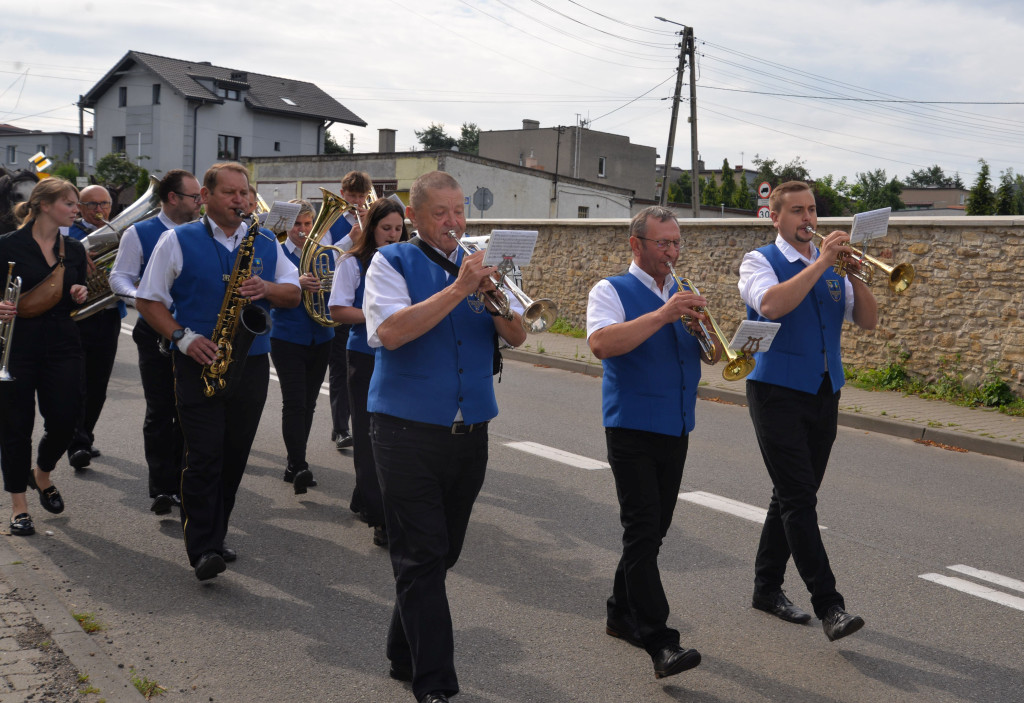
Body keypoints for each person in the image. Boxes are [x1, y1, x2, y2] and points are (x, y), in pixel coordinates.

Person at [363, 171, 526, 703]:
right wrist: (460, 288)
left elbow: (520, 336)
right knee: (423, 554)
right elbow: (389, 333)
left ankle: (401, 650)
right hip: (405, 430)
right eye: (442, 213)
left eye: (460, 212)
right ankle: (435, 685)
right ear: (415, 218)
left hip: (470, 428)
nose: (455, 222)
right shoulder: (392, 262)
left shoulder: (482, 268)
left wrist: (498, 294)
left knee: (439, 554)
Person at [135, 162, 300, 581]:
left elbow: (294, 292)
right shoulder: (177, 239)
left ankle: (217, 531)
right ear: (205, 197)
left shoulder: (265, 240)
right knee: (205, 454)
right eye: (230, 193)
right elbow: (148, 300)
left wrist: (267, 289)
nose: (240, 200)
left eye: (244, 193)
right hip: (197, 359)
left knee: (234, 454)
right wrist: (182, 338)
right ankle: (203, 546)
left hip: (252, 362)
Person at [737, 180, 877, 641]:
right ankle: (830, 605)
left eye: (812, 210)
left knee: (790, 495)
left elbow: (868, 321)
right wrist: (821, 263)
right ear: (775, 217)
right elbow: (772, 304)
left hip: (824, 390)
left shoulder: (833, 269)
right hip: (775, 391)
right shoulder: (759, 261)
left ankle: (765, 588)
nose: (808, 219)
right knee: (800, 499)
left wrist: (853, 270)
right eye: (797, 211)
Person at [586, 205, 718, 680]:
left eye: (676, 242)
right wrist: (664, 315)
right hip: (632, 427)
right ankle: (661, 642)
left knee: (654, 532)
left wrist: (707, 334)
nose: (671, 252)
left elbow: (710, 356)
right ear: (636, 244)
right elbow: (602, 344)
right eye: (663, 243)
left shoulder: (682, 293)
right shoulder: (611, 290)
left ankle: (621, 612)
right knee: (641, 531)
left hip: (676, 426)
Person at [109, 169, 202, 515]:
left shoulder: (202, 231)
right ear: (173, 198)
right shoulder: (140, 231)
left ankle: (185, 480)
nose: (200, 203)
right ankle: (162, 486)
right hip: (155, 330)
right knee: (161, 410)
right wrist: (142, 297)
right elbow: (119, 275)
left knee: (190, 410)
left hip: (197, 331)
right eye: (194, 197)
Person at [0, 178, 89, 536]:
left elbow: (72, 291)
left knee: (67, 420)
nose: (76, 210)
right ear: (45, 205)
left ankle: (43, 473)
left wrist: (79, 291)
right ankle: (19, 506)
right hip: (17, 346)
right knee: (15, 428)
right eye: (70, 203)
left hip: (63, 342)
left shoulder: (76, 249)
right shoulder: (7, 245)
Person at [328, 197, 408, 547]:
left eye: (398, 228)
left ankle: (366, 497)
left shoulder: (408, 259)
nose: (393, 234)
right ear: (372, 227)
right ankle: (379, 515)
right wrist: (379, 315)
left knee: (395, 435)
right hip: (364, 354)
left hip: (400, 355)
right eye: (386, 228)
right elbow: (337, 310)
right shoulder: (353, 262)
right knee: (366, 432)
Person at [269, 199, 334, 494]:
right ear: (287, 226)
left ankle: (297, 459)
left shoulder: (324, 254)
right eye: (298, 224)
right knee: (294, 401)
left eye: (308, 224)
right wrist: (296, 281)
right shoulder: (275, 252)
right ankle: (297, 464)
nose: (304, 230)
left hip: (321, 337)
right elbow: (266, 288)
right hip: (287, 337)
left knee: (309, 402)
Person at [66, 184, 124, 470]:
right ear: (79, 207)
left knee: (98, 384)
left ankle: (85, 435)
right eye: (92, 204)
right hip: (77, 318)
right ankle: (76, 442)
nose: (100, 210)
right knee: (78, 383)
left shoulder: (120, 233)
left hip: (108, 314)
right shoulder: (68, 234)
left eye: (105, 204)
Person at [325, 170, 372, 453]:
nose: (356, 201)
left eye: (361, 196)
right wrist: (351, 240)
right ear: (343, 195)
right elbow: (325, 255)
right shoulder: (332, 222)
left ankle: (364, 426)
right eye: (351, 196)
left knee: (364, 371)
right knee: (341, 369)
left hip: (368, 302)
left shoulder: (373, 220)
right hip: (343, 302)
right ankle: (340, 428)